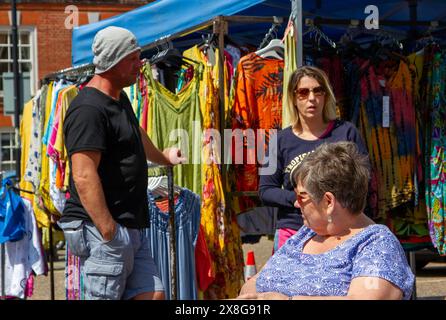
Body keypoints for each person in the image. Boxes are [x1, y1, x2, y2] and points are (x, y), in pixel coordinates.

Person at [58, 26, 185, 300]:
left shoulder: (119, 97)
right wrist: (108, 231)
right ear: (113, 62)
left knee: (153, 295)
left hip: (130, 225)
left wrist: (163, 158)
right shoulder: (88, 109)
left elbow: (135, 133)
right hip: (104, 229)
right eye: (133, 58)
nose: (140, 65)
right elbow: (83, 175)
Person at [238, 142, 414, 300]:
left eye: (301, 197)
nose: (297, 204)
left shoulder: (377, 244)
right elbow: (252, 284)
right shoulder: (305, 234)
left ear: (328, 202)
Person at [259, 66, 369, 252]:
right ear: (293, 99)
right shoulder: (279, 140)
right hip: (293, 231)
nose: (312, 98)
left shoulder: (346, 132)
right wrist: (298, 199)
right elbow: (265, 190)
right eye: (303, 92)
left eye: (318, 91)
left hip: (341, 231)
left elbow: (364, 179)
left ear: (326, 96)